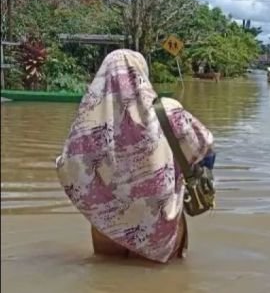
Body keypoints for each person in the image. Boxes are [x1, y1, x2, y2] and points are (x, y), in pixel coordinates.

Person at [55, 50, 215, 263]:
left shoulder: (89, 122)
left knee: (106, 286)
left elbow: (67, 166)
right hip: (159, 223)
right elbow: (205, 151)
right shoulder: (168, 111)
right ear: (142, 74)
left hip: (108, 226)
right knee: (168, 287)